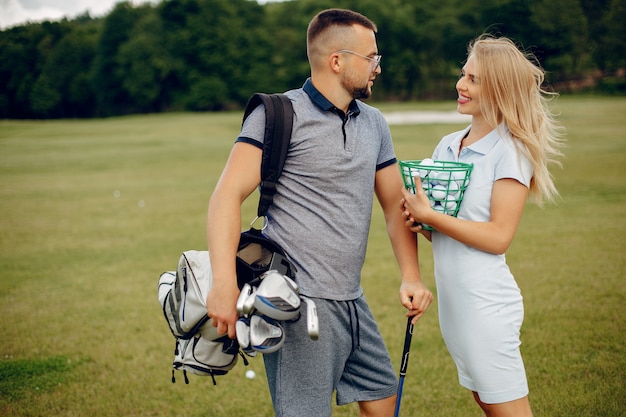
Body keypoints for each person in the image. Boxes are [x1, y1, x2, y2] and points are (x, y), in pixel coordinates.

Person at [206, 8, 433, 417]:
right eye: (372, 57)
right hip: (297, 304)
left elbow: (393, 204)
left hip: (352, 300)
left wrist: (411, 275)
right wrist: (223, 284)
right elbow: (226, 197)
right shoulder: (277, 115)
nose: (378, 67)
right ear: (337, 60)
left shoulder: (375, 124)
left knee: (383, 401)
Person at [401, 35, 564, 417]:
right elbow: (446, 230)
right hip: (454, 307)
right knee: (485, 402)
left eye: (473, 79)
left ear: (498, 88)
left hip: (487, 306)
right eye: (463, 74)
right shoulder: (447, 145)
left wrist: (432, 217)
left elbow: (498, 238)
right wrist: (421, 221)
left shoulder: (510, 152)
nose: (461, 84)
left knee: (506, 410)